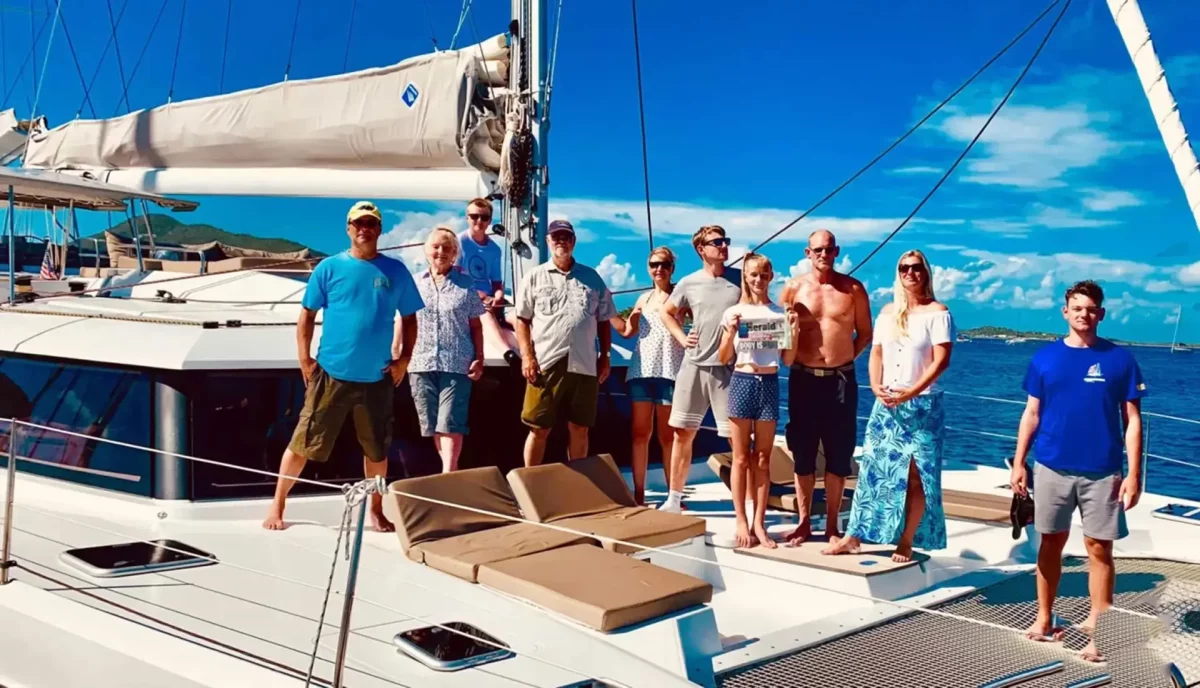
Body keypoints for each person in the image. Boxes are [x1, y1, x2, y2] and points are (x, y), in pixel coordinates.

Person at [262, 201, 424, 532]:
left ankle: (376, 511)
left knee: (377, 451)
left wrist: (404, 360)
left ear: (379, 230)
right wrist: (304, 358)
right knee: (303, 442)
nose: (364, 229)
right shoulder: (329, 268)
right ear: (349, 229)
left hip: (377, 378)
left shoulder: (396, 272)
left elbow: (409, 319)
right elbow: (307, 315)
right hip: (331, 374)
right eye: (358, 223)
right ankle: (277, 505)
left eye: (371, 223)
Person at [1010, 280, 1144, 664]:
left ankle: (1098, 632)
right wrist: (1019, 462)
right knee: (1050, 541)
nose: (1084, 314)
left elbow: (1132, 421)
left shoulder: (1120, 360)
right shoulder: (1045, 359)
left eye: (1091, 309)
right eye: (1077, 308)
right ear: (1065, 312)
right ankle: (1044, 617)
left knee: (1099, 548)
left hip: (1103, 471)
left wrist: (1134, 474)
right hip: (1051, 465)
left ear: (1101, 314)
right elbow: (1031, 413)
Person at [824, 249, 952, 562]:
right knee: (872, 470)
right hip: (888, 405)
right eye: (904, 268)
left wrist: (912, 392)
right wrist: (875, 386)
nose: (910, 273)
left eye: (916, 267)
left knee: (917, 475)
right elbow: (877, 353)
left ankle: (906, 541)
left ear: (926, 272)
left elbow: (941, 361)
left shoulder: (938, 313)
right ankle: (853, 536)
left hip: (922, 407)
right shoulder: (887, 313)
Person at [779, 229, 872, 545]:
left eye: (829, 249)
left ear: (837, 252)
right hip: (803, 378)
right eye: (817, 249)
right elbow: (777, 332)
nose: (823, 254)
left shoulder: (853, 289)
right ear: (807, 253)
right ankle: (804, 522)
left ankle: (832, 525)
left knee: (839, 453)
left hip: (841, 381)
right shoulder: (793, 289)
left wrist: (843, 358)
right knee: (803, 452)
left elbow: (865, 333)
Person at [514, 219, 617, 466]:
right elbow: (522, 320)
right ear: (548, 241)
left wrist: (605, 357)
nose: (561, 241)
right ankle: (531, 482)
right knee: (538, 427)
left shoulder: (592, 278)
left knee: (580, 427)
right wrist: (527, 357)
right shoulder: (534, 277)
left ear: (574, 241)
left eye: (566, 237)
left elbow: (604, 320)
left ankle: (577, 482)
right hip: (546, 362)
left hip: (585, 363)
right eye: (556, 237)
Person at [717, 253, 800, 548]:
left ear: (771, 277)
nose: (758, 280)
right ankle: (741, 519)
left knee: (763, 459)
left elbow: (787, 359)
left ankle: (759, 524)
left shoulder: (779, 313)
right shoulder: (733, 313)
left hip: (769, 384)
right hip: (742, 381)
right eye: (753, 274)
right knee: (740, 458)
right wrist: (730, 333)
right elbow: (724, 357)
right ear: (746, 276)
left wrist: (793, 331)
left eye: (764, 275)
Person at [658, 225, 742, 513]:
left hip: (728, 369)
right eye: (716, 242)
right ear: (701, 249)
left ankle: (745, 503)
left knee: (736, 438)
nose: (723, 246)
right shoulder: (689, 283)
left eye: (725, 240)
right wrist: (683, 338)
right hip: (693, 366)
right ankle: (673, 500)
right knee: (683, 433)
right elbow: (667, 312)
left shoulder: (740, 280)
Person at [408, 227, 486, 473]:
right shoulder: (415, 283)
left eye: (447, 248)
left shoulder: (466, 284)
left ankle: (448, 474)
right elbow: (405, 321)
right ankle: (450, 471)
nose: (441, 252)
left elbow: (476, 325)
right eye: (436, 247)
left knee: (450, 422)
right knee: (433, 425)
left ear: (454, 254)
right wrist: (399, 353)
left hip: (456, 362)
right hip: (420, 362)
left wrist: (479, 358)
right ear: (426, 251)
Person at [616, 246, 686, 505]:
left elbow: (701, 319)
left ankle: (673, 495)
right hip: (641, 371)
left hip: (670, 371)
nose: (659, 269)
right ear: (648, 268)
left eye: (664, 264)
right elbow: (627, 332)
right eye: (655, 264)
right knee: (639, 435)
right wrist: (607, 311)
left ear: (672, 268)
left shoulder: (681, 298)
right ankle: (639, 493)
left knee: (668, 437)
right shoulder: (643, 300)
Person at [457, 197, 520, 365]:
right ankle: (508, 354)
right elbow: (455, 278)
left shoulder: (494, 249)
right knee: (484, 313)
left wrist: (498, 296)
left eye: (484, 217)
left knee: (518, 315)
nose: (479, 221)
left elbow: (497, 283)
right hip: (468, 297)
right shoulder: (459, 242)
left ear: (490, 221)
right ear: (467, 217)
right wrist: (481, 296)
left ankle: (534, 351)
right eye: (474, 216)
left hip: (490, 298)